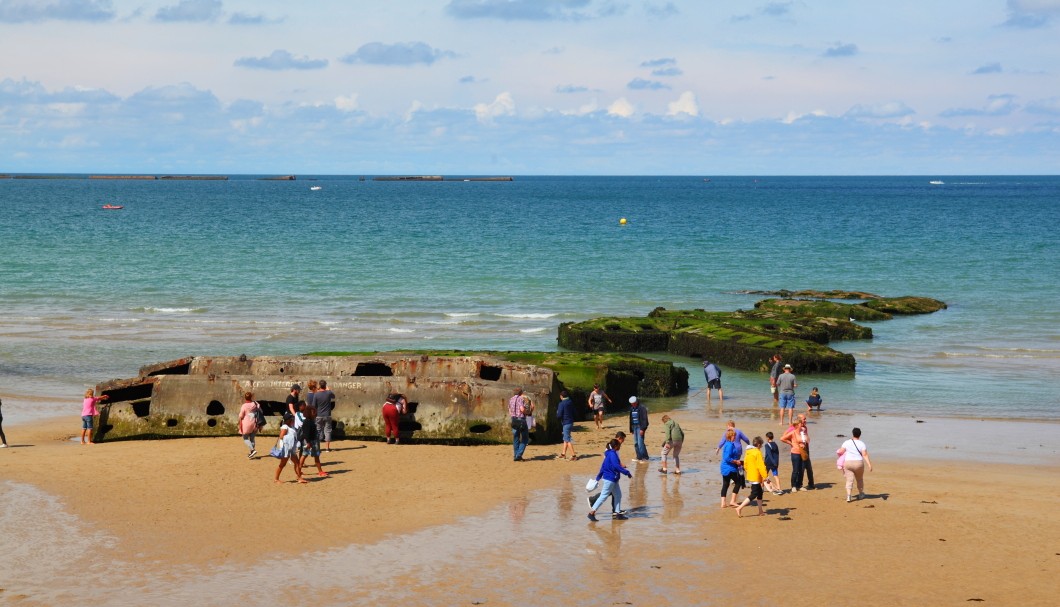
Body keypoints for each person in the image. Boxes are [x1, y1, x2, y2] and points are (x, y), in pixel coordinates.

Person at [587, 438, 632, 521]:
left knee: (618, 495)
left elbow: (603, 466)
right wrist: (627, 472)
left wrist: (598, 477)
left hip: (613, 479)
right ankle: (591, 513)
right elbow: (616, 466)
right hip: (610, 479)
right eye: (619, 445)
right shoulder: (612, 454)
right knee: (603, 496)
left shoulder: (609, 454)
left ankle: (618, 513)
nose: (620, 447)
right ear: (615, 446)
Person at [735, 436, 769, 517]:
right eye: (761, 445)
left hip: (751, 475)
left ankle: (760, 511)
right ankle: (739, 508)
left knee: (760, 493)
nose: (761, 447)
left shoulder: (748, 452)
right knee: (754, 494)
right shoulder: (757, 452)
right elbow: (760, 466)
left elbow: (745, 465)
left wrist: (749, 472)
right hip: (756, 476)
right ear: (758, 444)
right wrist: (765, 476)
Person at [837, 427, 873, 502]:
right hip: (858, 463)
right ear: (860, 435)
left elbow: (841, 451)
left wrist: (839, 452)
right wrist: (869, 465)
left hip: (848, 463)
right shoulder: (862, 443)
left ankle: (849, 496)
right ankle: (860, 494)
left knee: (849, 480)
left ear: (852, 434)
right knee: (859, 479)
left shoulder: (846, 442)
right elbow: (865, 455)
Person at [780, 416, 814, 491]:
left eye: (801, 423)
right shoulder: (793, 432)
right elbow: (782, 438)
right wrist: (791, 443)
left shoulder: (803, 430)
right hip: (795, 452)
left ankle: (800, 485)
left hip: (803, 452)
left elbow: (808, 440)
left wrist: (805, 439)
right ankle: (793, 486)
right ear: (797, 425)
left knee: (801, 469)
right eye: (800, 423)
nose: (801, 424)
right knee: (795, 470)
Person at [274, 412, 307, 484]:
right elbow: (281, 436)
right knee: (282, 464)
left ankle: (299, 478)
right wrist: (291, 439)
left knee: (297, 463)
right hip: (286, 449)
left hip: (291, 448)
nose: (293, 420)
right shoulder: (285, 427)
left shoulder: (291, 427)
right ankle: (276, 479)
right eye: (292, 419)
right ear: (288, 420)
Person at [300, 405, 328, 477]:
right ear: (308, 413)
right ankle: (299, 470)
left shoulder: (311, 421)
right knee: (305, 455)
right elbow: (306, 434)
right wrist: (308, 443)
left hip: (313, 440)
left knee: (314, 455)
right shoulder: (307, 422)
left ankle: (320, 471)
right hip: (309, 441)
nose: (315, 413)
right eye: (313, 412)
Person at [719, 428, 744, 508]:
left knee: (725, 484)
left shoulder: (727, 444)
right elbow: (727, 458)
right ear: (730, 436)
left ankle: (723, 503)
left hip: (725, 467)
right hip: (729, 468)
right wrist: (736, 462)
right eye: (734, 436)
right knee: (738, 482)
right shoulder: (729, 445)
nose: (735, 437)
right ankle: (732, 501)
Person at [237, 391, 263, 459]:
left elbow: (241, 416)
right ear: (251, 397)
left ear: (245, 398)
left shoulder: (244, 406)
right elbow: (261, 411)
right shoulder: (256, 403)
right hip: (254, 423)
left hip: (246, 424)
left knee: (245, 438)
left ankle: (252, 450)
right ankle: (252, 453)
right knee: (252, 438)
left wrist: (239, 424)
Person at [314, 379, 336, 452]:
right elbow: (333, 396)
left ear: (320, 385)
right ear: (325, 385)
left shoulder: (316, 394)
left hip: (319, 415)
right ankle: (327, 448)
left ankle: (317, 448)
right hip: (327, 415)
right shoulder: (328, 393)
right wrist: (328, 389)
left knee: (318, 431)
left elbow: (314, 405)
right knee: (328, 431)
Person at [508, 388, 530, 462]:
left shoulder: (511, 399)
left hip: (514, 419)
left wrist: (513, 415)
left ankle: (515, 455)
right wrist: (527, 413)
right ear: (521, 393)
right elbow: (522, 409)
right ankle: (519, 455)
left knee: (516, 438)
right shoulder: (521, 399)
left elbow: (509, 410)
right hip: (521, 419)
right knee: (525, 438)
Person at [556, 390, 577, 460]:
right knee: (566, 438)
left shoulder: (561, 404)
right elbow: (574, 412)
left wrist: (557, 413)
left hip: (566, 422)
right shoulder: (570, 402)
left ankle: (574, 455)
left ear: (561, 396)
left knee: (567, 439)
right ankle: (563, 454)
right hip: (571, 422)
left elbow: (559, 415)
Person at [628, 396, 649, 462]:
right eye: (632, 403)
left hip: (640, 427)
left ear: (637, 401)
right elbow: (631, 419)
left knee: (640, 443)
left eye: (634, 403)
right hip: (634, 427)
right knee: (636, 443)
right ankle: (639, 457)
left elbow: (645, 420)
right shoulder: (632, 409)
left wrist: (642, 429)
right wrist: (631, 429)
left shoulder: (642, 408)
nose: (633, 404)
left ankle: (644, 458)